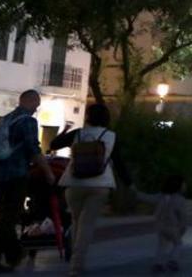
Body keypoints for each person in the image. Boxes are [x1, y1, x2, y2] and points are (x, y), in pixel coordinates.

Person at [0, 89, 56, 274]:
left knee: (6, 218)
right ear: (29, 101)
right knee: (8, 219)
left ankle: (11, 254)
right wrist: (48, 172)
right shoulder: (28, 121)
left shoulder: (5, 119)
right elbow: (33, 148)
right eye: (36, 103)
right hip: (16, 175)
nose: (37, 108)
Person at [52, 103, 129, 277]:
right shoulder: (111, 136)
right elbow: (119, 163)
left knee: (76, 222)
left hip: (74, 183)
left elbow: (54, 144)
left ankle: (74, 260)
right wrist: (129, 185)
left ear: (88, 117)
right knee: (86, 226)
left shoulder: (78, 133)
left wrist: (65, 131)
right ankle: (76, 266)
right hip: (100, 184)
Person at [135, 175, 187, 273]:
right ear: (179, 186)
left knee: (162, 245)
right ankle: (173, 260)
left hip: (160, 226)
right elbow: (183, 216)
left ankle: (158, 263)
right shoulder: (180, 200)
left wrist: (136, 193)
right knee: (178, 244)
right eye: (184, 184)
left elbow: (147, 198)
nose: (185, 186)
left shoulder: (160, 196)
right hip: (173, 227)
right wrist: (183, 228)